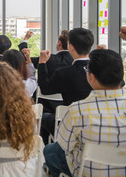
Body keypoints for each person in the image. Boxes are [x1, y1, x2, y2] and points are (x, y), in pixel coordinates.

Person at [44, 49, 126, 177]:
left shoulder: (78, 110)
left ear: (91, 77)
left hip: (85, 172)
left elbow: (63, 145)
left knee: (50, 150)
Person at [38, 27, 94, 144]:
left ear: (71, 47)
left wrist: (42, 63)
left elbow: (45, 89)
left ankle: (49, 146)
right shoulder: (100, 70)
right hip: (95, 121)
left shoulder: (65, 73)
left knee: (42, 117)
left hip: (72, 121)